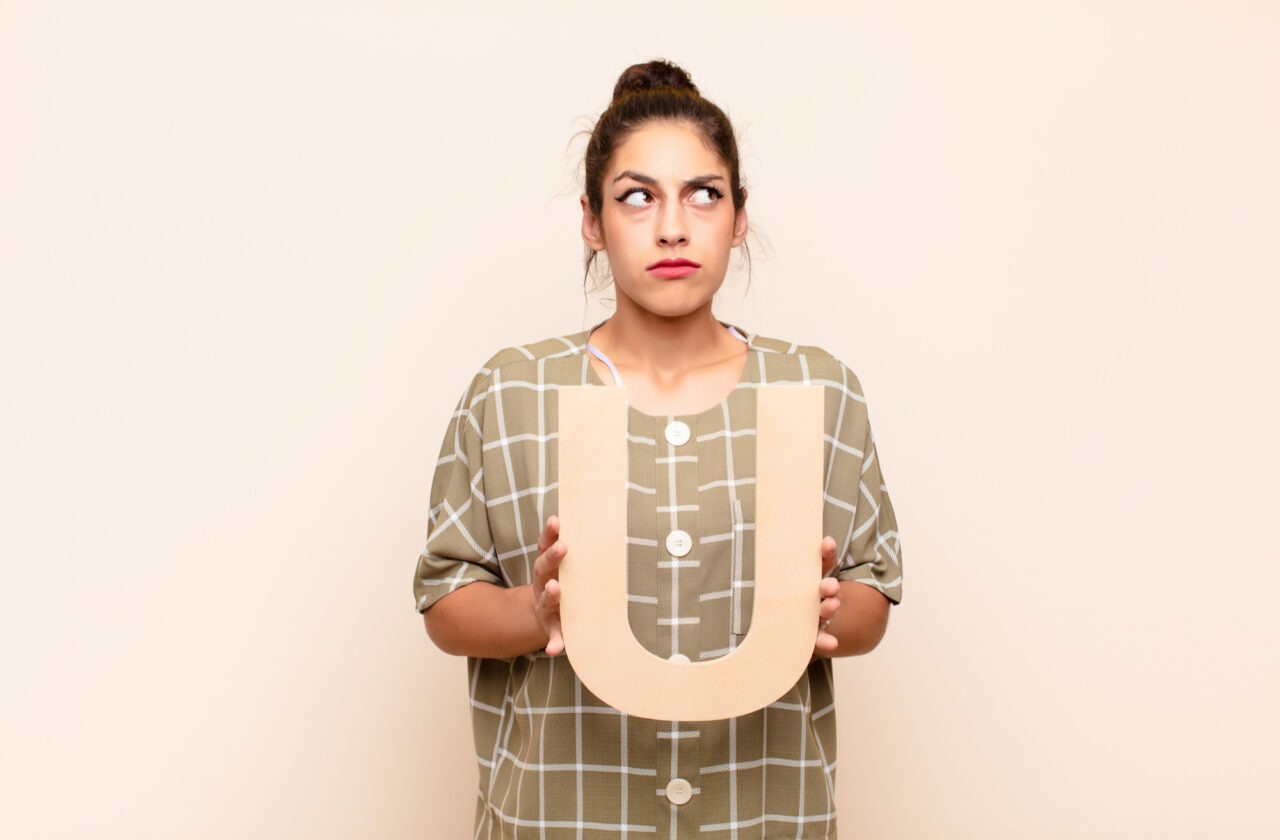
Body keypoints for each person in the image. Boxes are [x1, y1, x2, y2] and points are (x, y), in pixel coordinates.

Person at [414, 59, 902, 839]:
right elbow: (445, 601)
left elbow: (873, 593)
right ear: (591, 219)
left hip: (761, 815)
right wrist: (532, 611)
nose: (672, 227)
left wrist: (829, 612)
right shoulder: (510, 392)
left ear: (739, 217)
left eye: (703, 194)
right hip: (561, 818)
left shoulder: (820, 389)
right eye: (637, 197)